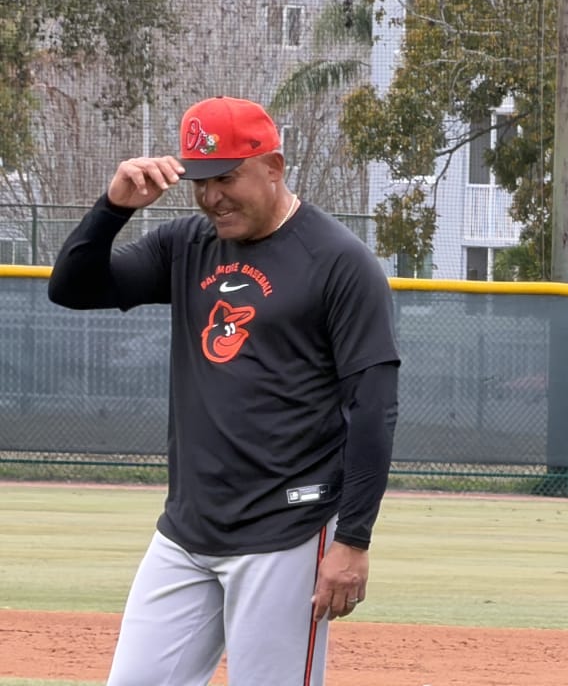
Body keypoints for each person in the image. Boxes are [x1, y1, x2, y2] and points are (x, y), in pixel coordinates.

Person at [48, 96, 400, 685]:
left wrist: (353, 541)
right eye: (200, 181)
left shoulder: (340, 262)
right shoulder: (187, 246)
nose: (212, 196)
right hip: (187, 532)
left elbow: (373, 409)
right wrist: (113, 208)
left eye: (227, 177)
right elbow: (73, 287)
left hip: (285, 533)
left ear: (274, 167)